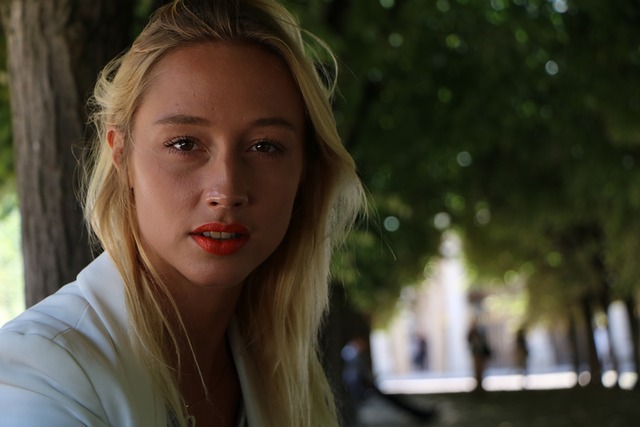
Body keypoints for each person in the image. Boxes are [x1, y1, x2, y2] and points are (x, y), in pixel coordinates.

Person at [0, 1, 364, 426]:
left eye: (265, 146)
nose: (226, 191)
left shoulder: (281, 372)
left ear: (305, 172)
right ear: (121, 156)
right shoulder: (38, 373)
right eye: (184, 144)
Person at [467, 319, 491, 392]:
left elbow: (484, 342)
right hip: (476, 353)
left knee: (481, 370)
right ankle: (478, 385)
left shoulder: (481, 332)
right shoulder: (472, 332)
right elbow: (469, 340)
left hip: (481, 354)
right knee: (477, 370)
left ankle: (480, 385)